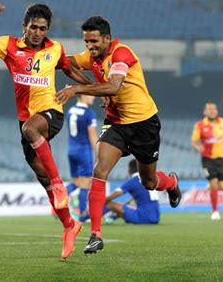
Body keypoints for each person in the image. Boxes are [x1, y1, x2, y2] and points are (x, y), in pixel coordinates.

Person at [0, 2, 94, 260]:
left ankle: (60, 185)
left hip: (51, 111)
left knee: (31, 132)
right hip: (26, 120)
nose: (37, 32)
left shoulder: (55, 49)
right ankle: (70, 225)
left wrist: (95, 89)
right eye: (33, 27)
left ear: (48, 29)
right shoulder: (9, 45)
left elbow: (71, 70)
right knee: (42, 176)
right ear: (24, 27)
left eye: (42, 28)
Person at [55, 16, 181, 254]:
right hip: (116, 123)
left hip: (144, 124)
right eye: (86, 42)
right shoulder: (91, 57)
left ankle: (172, 183)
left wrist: (77, 88)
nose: (89, 46)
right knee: (99, 170)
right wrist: (46, 54)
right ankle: (95, 235)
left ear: (107, 39)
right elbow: (64, 62)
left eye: (93, 41)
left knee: (149, 182)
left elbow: (113, 86)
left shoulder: (122, 54)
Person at [191, 102, 223, 220]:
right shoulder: (199, 125)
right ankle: (215, 211)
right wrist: (199, 147)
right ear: (205, 112)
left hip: (220, 158)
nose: (212, 111)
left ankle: (211, 186)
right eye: (209, 109)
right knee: (214, 183)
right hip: (207, 159)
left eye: (214, 109)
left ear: (217, 111)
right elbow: (194, 142)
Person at [66, 94, 97, 221]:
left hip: (71, 149)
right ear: (83, 95)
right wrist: (98, 154)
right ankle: (83, 215)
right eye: (91, 95)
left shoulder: (70, 111)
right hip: (83, 150)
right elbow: (92, 136)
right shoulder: (89, 113)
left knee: (76, 182)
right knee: (85, 183)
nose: (94, 97)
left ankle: (58, 200)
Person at [103, 159, 160, 225]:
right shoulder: (149, 179)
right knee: (127, 206)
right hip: (156, 218)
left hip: (143, 217)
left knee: (110, 204)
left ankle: (90, 217)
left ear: (129, 170)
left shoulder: (134, 180)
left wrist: (104, 200)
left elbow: (118, 192)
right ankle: (112, 217)